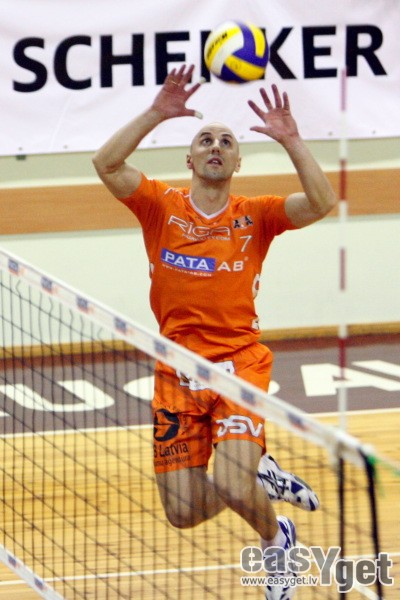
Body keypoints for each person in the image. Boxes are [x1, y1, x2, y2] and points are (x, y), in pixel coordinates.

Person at [93, 64, 336, 599]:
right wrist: (157, 112)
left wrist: (293, 140)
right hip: (176, 372)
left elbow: (321, 203)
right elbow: (105, 163)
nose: (216, 146)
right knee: (182, 512)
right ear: (191, 159)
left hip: (239, 367)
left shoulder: (257, 215)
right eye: (205, 139)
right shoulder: (161, 206)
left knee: (229, 481)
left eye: (226, 141)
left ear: (237, 161)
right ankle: (261, 477)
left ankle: (276, 542)